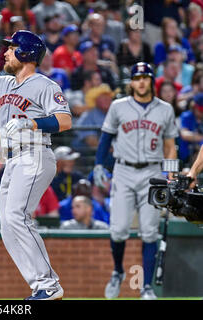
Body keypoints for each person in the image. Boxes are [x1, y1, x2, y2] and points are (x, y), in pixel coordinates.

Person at [0, 17, 72, 300]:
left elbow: (64, 121)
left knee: (16, 217)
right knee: (7, 226)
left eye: (11, 48)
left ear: (25, 53)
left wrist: (33, 124)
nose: (5, 53)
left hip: (35, 154)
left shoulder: (44, 85)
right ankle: (39, 286)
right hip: (12, 160)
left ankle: (49, 284)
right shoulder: (5, 83)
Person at [93, 62, 178, 300]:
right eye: (137, 77)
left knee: (150, 232)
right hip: (124, 170)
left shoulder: (165, 109)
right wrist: (99, 164)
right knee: (119, 230)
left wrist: (170, 174)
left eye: (145, 77)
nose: (141, 81)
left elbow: (170, 145)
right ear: (131, 82)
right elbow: (105, 139)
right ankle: (118, 271)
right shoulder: (119, 107)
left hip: (153, 173)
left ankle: (146, 287)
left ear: (151, 80)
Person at [73, 83, 114, 150]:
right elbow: (92, 142)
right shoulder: (88, 115)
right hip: (88, 153)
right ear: (95, 101)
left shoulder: (114, 112)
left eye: (108, 96)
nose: (106, 99)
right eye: (102, 97)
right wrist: (111, 150)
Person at [178, 93, 203, 165]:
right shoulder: (187, 116)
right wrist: (201, 138)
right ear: (194, 107)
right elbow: (184, 135)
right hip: (187, 156)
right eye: (200, 110)